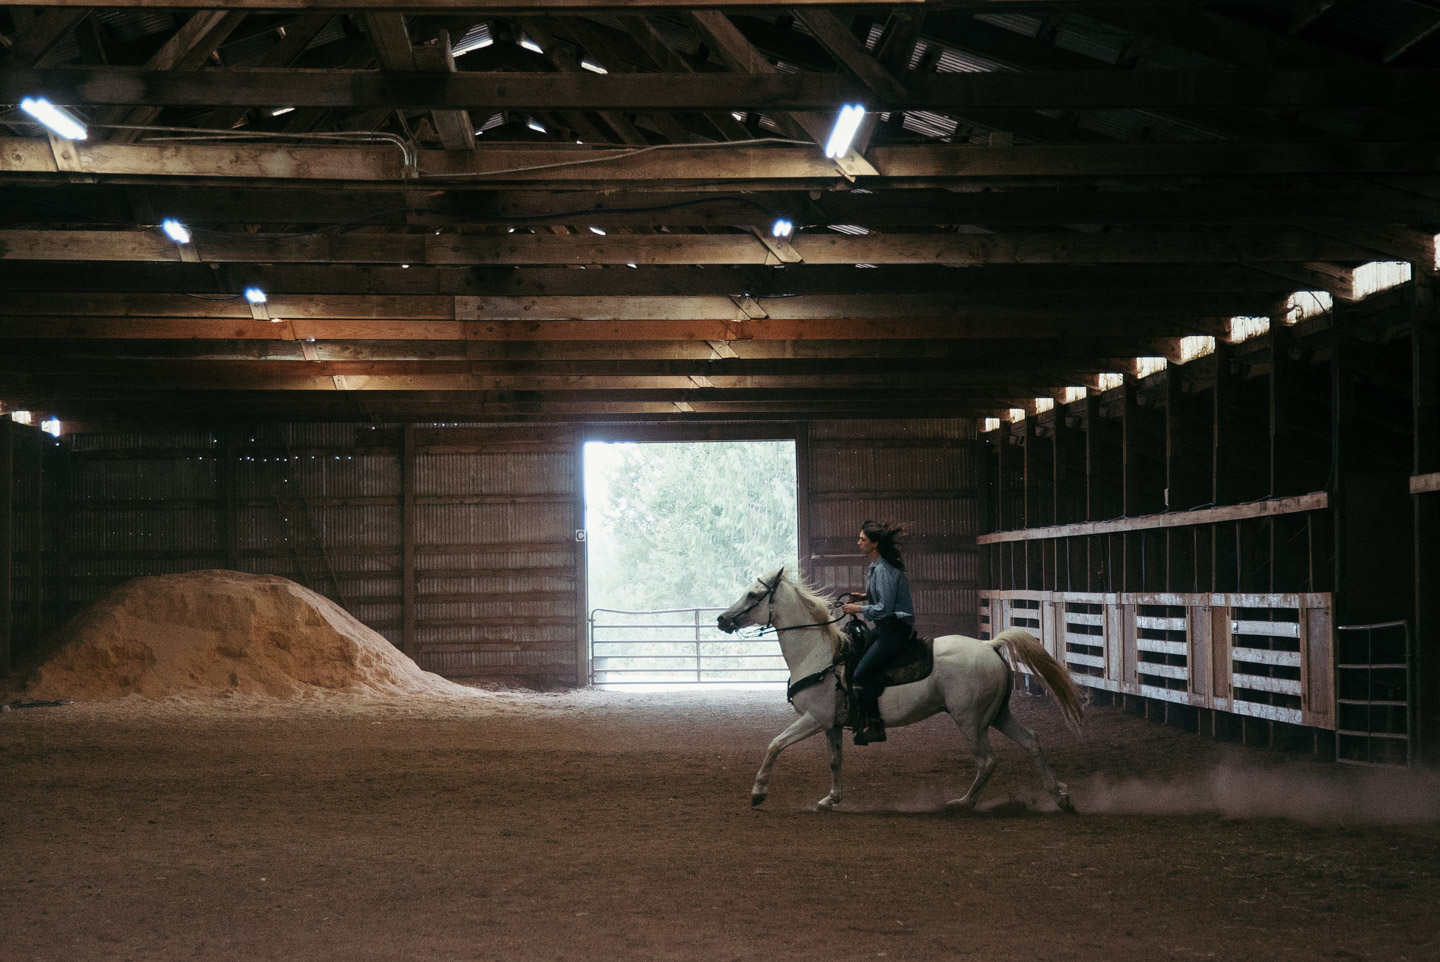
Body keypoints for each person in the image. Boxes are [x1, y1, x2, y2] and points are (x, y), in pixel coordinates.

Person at [840, 520, 915, 745]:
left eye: (862, 540)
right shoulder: (876, 568)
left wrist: (858, 608)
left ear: (874, 544)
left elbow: (885, 608)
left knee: (861, 674)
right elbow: (882, 598)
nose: (858, 543)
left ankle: (875, 725)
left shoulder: (883, 570)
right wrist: (864, 597)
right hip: (886, 627)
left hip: (894, 628)